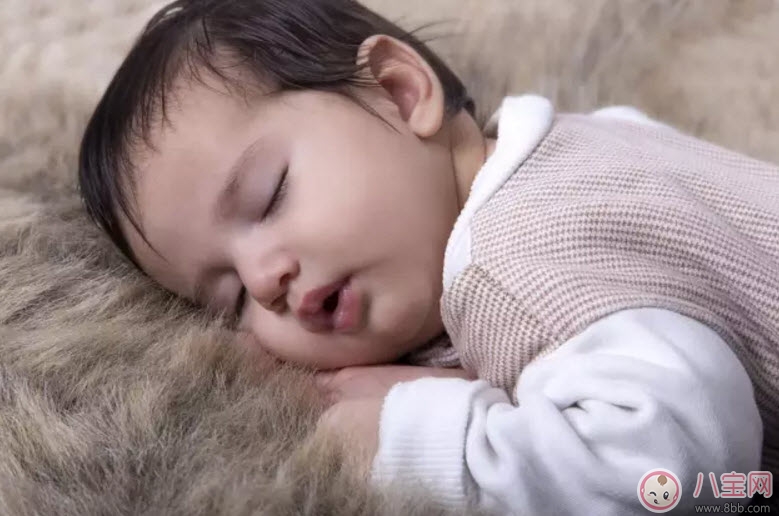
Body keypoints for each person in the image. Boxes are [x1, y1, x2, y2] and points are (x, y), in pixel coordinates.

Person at [78, 0, 778, 513]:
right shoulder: (581, 143)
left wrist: (423, 432)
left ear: (396, 91)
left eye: (269, 196)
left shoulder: (510, 264)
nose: (266, 279)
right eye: (226, 299)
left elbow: (671, 471)